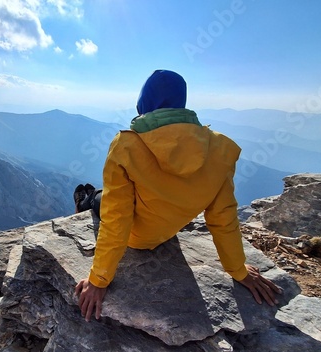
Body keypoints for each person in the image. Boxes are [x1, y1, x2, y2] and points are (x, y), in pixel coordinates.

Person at [74, 70, 282, 322]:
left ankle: (85, 200)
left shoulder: (127, 145)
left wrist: (99, 280)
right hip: (168, 231)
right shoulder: (219, 148)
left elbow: (117, 220)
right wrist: (238, 270)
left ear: (144, 102)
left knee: (100, 198)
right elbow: (223, 218)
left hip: (135, 238)